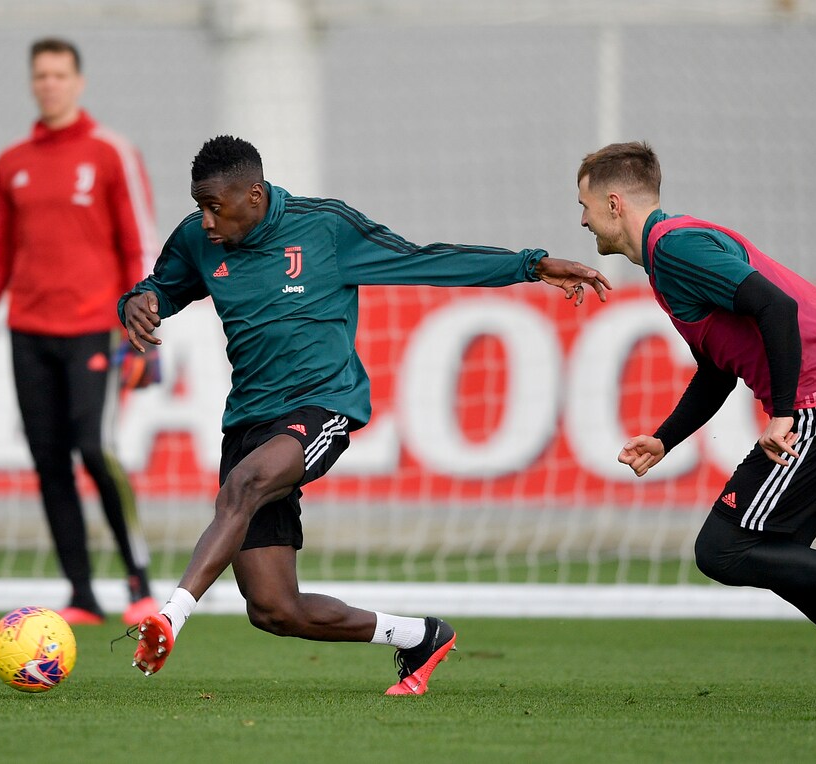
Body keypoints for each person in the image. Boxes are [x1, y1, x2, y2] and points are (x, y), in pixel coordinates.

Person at [119, 135, 611, 695]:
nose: (206, 220)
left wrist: (530, 265)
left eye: (215, 207)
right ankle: (419, 636)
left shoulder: (325, 228)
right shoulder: (197, 239)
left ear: (254, 195)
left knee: (245, 484)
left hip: (321, 406)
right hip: (248, 422)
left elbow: (424, 259)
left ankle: (171, 616)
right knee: (274, 608)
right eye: (199, 206)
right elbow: (160, 288)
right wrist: (137, 301)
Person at [577, 141, 816, 706]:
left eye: (584, 205)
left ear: (614, 203)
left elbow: (776, 306)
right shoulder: (674, 247)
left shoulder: (674, 249)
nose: (582, 220)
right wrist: (666, 438)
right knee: (782, 560)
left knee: (720, 549)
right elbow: (717, 370)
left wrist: (785, 412)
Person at [0, 37, 160, 627]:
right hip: (27, 332)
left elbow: (139, 243)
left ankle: (139, 581)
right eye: (41, 75)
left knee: (95, 449)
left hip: (95, 329)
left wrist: (145, 326)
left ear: (78, 82)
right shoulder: (10, 162)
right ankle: (81, 594)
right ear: (32, 82)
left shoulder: (111, 152)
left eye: (59, 74)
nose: (50, 84)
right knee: (48, 461)